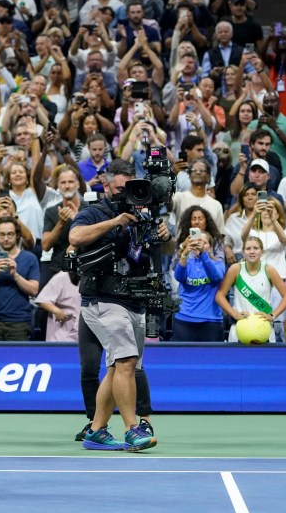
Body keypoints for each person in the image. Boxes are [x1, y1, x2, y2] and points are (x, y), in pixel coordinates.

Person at [69, 158, 167, 452]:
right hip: (103, 299)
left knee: (117, 369)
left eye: (132, 187)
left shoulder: (145, 213)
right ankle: (131, 428)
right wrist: (115, 221)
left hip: (135, 300)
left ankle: (97, 429)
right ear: (107, 185)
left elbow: (159, 251)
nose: (127, 194)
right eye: (121, 188)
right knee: (125, 362)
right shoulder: (94, 211)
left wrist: (165, 236)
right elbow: (74, 237)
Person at [216, 236, 286, 343]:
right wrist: (234, 314)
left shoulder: (269, 270)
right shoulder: (235, 269)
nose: (252, 252)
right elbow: (219, 296)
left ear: (262, 252)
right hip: (240, 328)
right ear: (243, 252)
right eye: (248, 248)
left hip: (264, 328)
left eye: (256, 248)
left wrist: (273, 315)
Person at [0, 217, 40, 340]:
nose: (6, 238)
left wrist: (15, 275)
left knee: (18, 359)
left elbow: (34, 290)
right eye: (2, 234)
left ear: (17, 235)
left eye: (10, 234)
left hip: (19, 322)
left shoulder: (29, 258)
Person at [171, 225, 226, 342]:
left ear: (210, 247)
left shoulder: (218, 264)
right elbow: (178, 276)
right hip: (184, 320)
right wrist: (184, 253)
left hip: (210, 321)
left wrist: (203, 255)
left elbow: (215, 276)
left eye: (204, 242)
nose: (199, 244)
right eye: (196, 241)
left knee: (211, 359)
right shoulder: (187, 262)